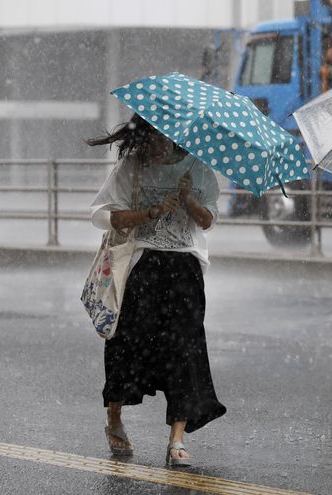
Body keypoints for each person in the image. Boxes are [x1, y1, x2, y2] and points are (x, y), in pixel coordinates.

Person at [86, 114, 226, 466]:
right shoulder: (131, 167)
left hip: (185, 269)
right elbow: (113, 217)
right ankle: (114, 417)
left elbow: (207, 220)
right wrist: (149, 212)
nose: (156, 145)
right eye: (150, 138)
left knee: (185, 349)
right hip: (142, 266)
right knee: (126, 343)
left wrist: (187, 199)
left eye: (161, 138)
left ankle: (176, 439)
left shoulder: (198, 168)